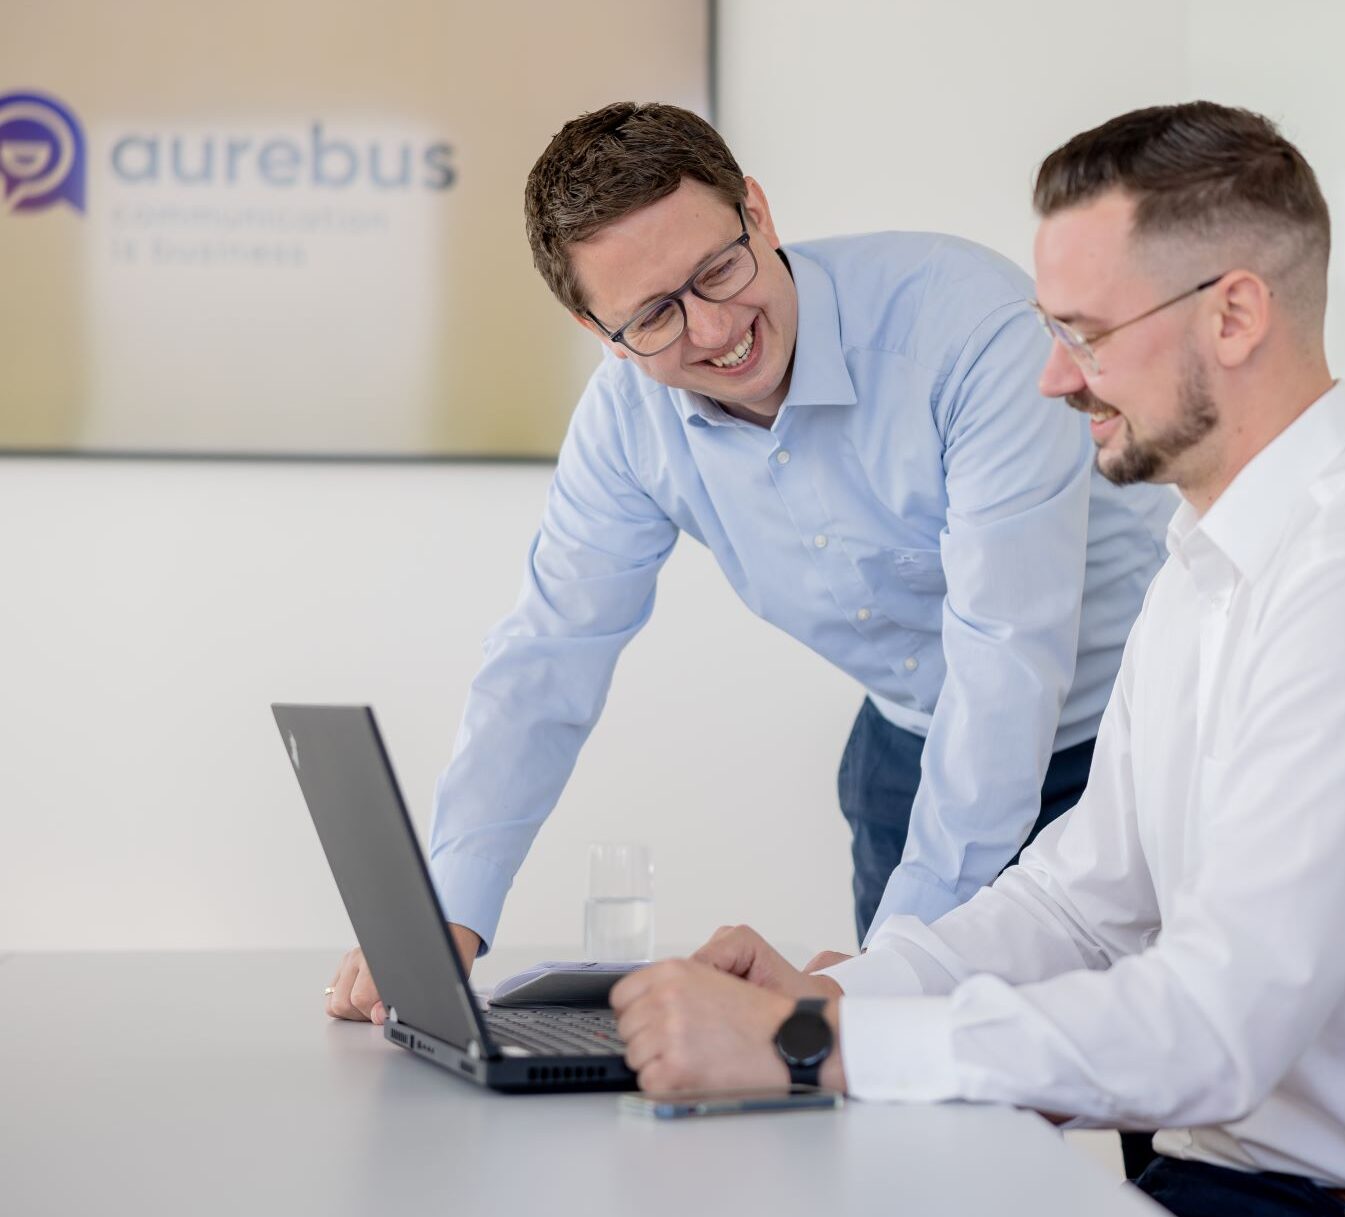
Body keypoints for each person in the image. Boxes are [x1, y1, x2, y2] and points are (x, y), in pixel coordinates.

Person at [601, 102, 1345, 1216]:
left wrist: (816, 1042)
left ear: (1234, 314)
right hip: (1252, 1183)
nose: (1055, 381)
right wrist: (839, 988)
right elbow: (1077, 905)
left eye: (1085, 334)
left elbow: (1215, 1025)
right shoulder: (1209, 566)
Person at [323, 103, 1171, 1022]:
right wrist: (446, 913)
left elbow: (1007, 661)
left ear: (758, 213)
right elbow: (547, 654)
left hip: (1119, 742)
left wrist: (882, 968)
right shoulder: (626, 422)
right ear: (596, 329)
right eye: (651, 314)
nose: (714, 327)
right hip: (906, 752)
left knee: (1141, 1082)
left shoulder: (969, 328)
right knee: (915, 1121)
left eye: (718, 269)